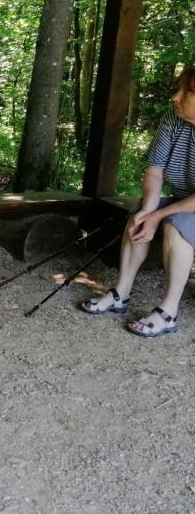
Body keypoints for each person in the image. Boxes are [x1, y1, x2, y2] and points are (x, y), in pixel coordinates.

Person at [80, 65, 195, 337]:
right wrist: (149, 210)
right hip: (184, 200)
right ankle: (121, 293)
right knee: (138, 217)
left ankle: (168, 311)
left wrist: (158, 216)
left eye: (186, 92)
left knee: (176, 226)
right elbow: (155, 171)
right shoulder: (173, 118)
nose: (175, 97)